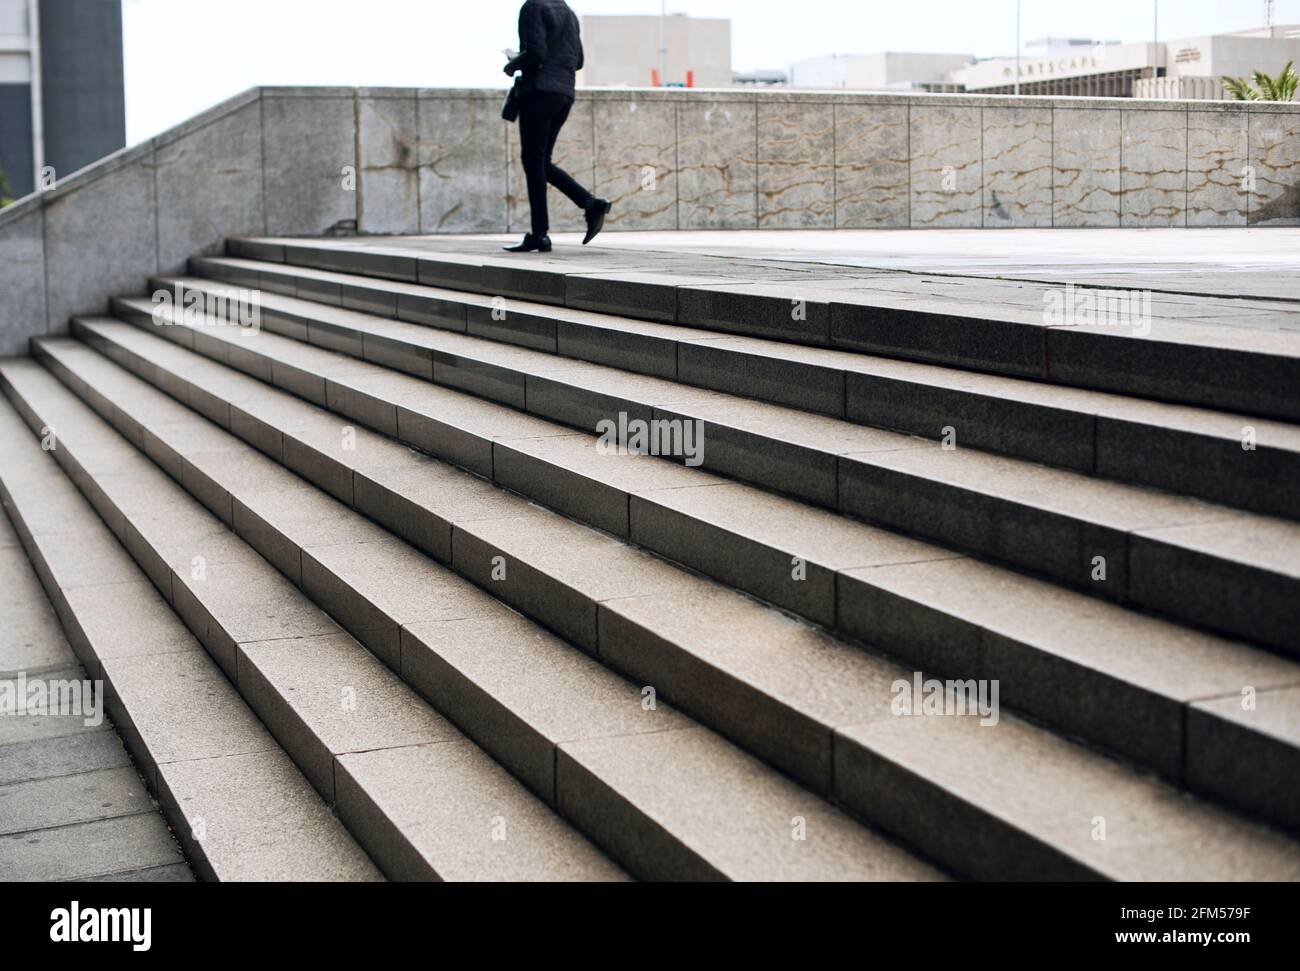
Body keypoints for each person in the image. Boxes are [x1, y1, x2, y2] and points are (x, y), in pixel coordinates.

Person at [503, 0, 611, 253]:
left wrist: (511, 64)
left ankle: (540, 234)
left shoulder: (532, 6)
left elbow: (536, 54)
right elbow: (579, 60)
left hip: (539, 92)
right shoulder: (568, 12)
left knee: (532, 160)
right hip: (564, 94)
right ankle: (590, 203)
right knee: (541, 162)